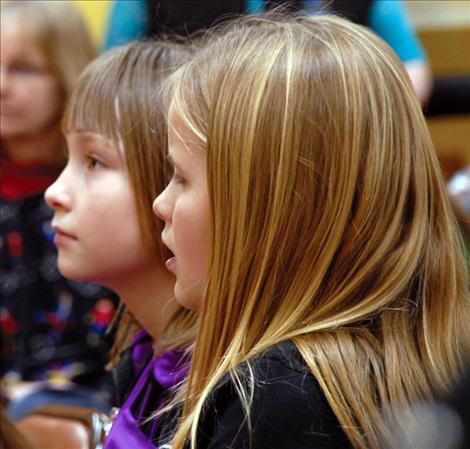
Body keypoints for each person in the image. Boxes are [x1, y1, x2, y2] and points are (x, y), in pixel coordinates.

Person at [152, 14, 470, 449]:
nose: (160, 204)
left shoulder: (269, 405)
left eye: (181, 177)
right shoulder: (445, 371)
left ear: (275, 209)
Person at [44, 39, 196, 448]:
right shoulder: (143, 359)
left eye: (94, 161)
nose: (54, 192)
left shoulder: (221, 389)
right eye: (67, 159)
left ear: (170, 178)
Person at [0, 0, 117, 419]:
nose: (2, 86)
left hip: (84, 400)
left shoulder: (101, 192)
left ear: (67, 76)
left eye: (24, 69)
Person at [104, 0, 432, 104]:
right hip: (193, 143)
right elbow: (114, 77)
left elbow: (411, 67)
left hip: (323, 145)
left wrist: (351, 119)